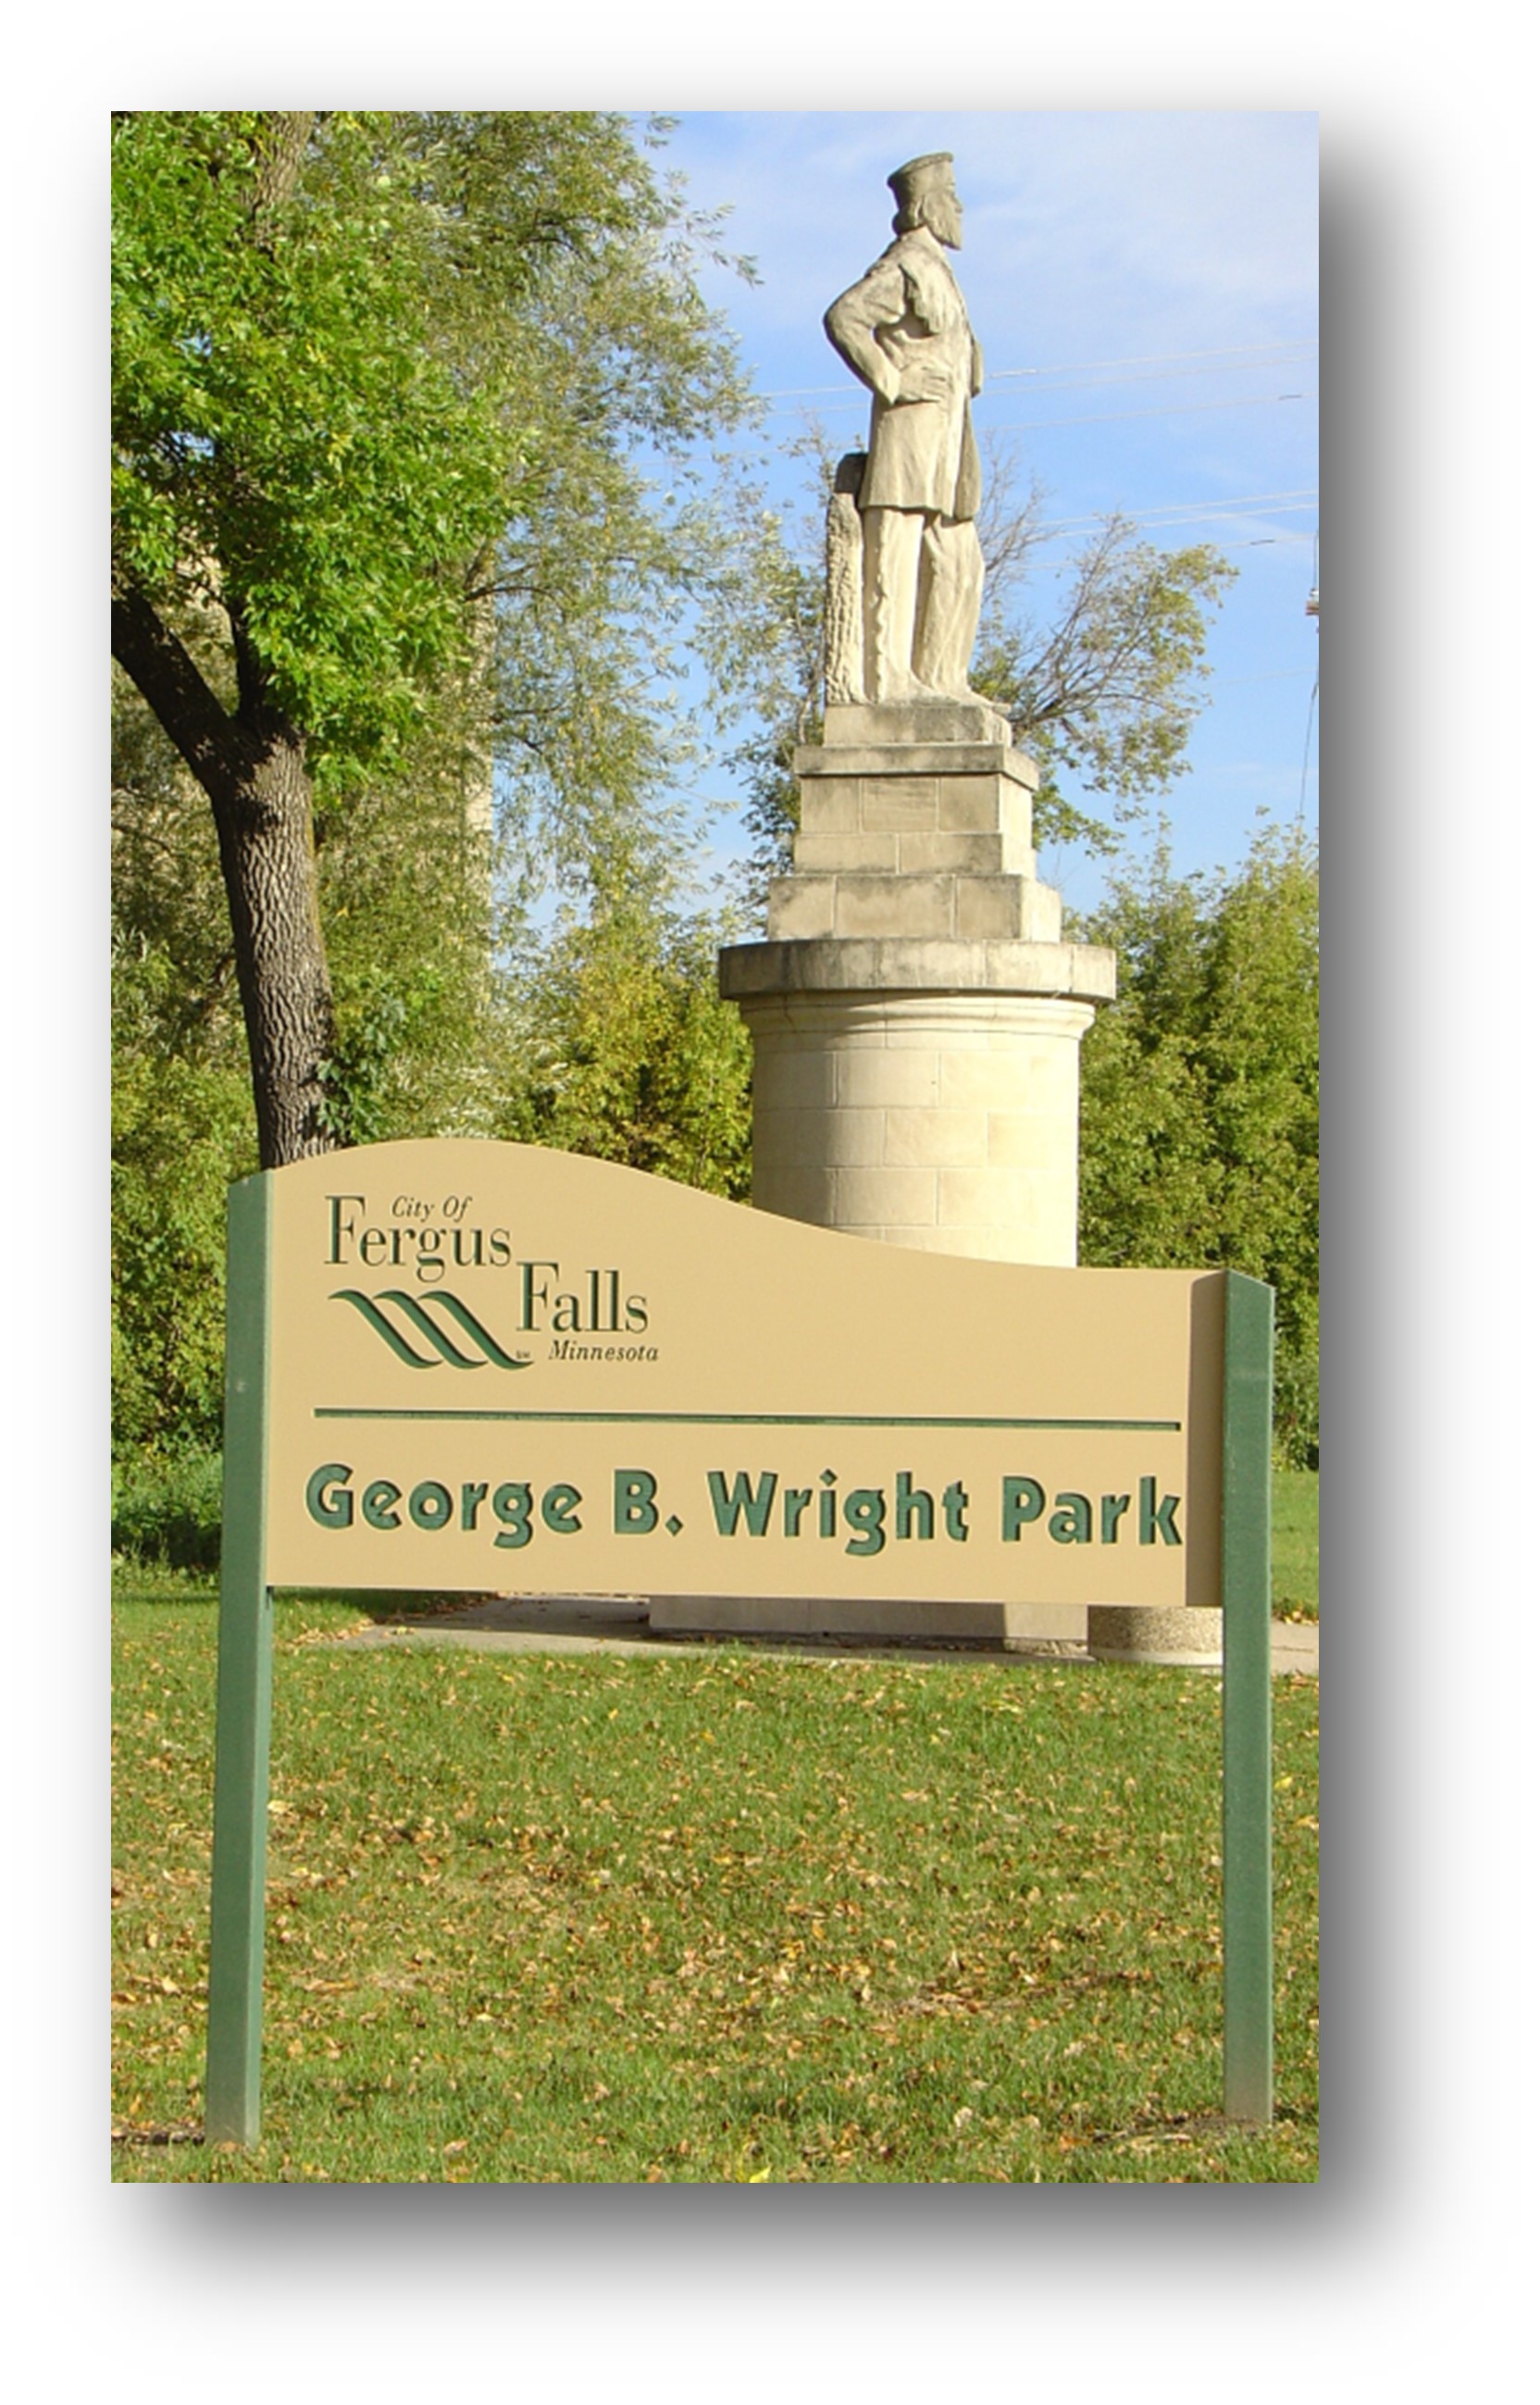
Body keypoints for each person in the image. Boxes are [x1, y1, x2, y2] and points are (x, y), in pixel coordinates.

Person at [823, 153, 987, 704]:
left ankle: (943, 679)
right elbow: (844, 318)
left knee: (958, 557)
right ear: (925, 206)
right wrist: (891, 381)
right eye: (952, 196)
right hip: (910, 434)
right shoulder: (907, 263)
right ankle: (889, 683)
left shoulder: (941, 269)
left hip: (949, 439)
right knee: (896, 553)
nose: (960, 208)